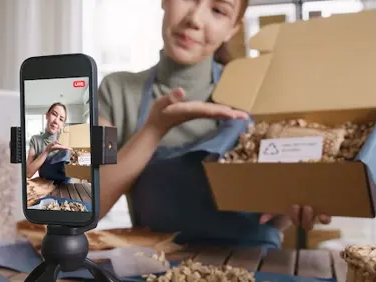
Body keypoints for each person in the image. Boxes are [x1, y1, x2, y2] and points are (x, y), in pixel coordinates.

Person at [97, 0, 332, 249]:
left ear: (233, 28)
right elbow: (82, 205)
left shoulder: (261, 92)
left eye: (218, 11)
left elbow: (274, 216)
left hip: (253, 264)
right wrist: (153, 130)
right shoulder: (114, 91)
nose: (195, 20)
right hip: (152, 265)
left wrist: (298, 205)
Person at [26, 102, 71, 183]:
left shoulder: (67, 140)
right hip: (44, 188)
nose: (56, 121)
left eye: (61, 119)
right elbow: (28, 173)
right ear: (47, 115)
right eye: (54, 114)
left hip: (66, 189)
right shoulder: (35, 140)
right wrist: (46, 151)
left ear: (62, 124)